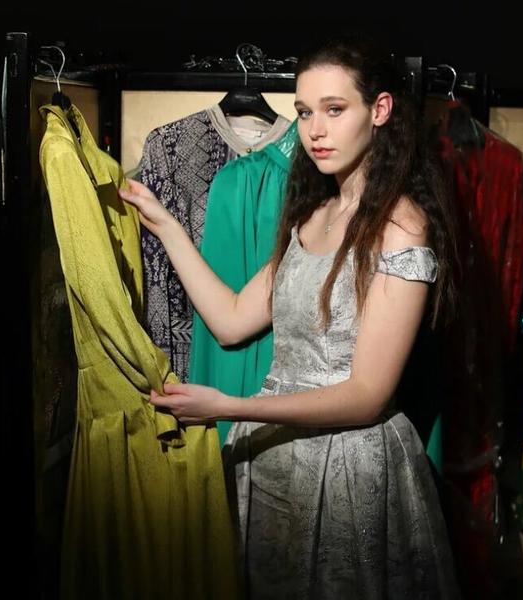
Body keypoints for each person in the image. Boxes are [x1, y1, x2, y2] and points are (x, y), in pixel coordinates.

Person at [119, 36, 461, 599]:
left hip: (349, 469)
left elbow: (367, 395)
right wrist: (165, 225)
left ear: (379, 110)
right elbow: (231, 319)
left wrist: (231, 407)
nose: (315, 130)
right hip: (278, 462)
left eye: (334, 109)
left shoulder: (402, 226)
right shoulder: (312, 215)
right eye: (304, 112)